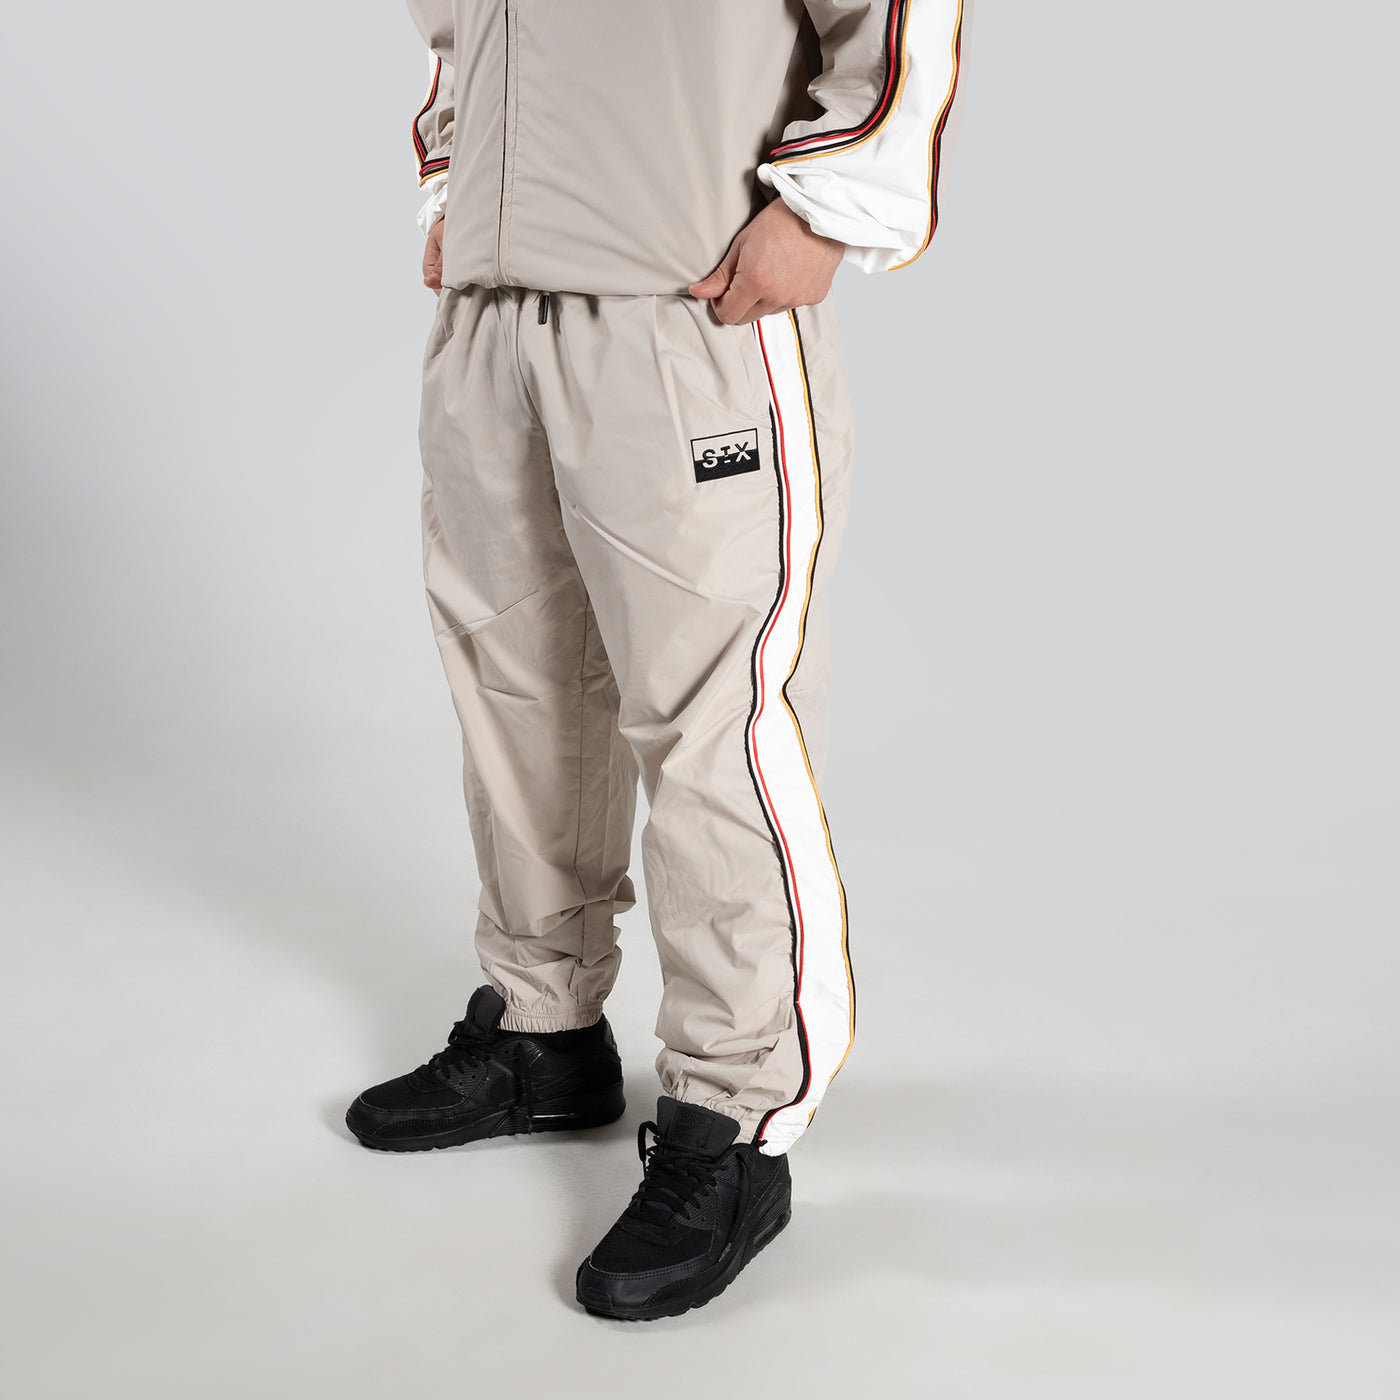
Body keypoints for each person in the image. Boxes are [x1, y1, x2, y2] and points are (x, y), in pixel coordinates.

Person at [345, 0, 969, 1320]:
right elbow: (457, 27)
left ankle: (734, 1118)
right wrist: (454, 183)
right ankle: (543, 1030)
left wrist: (826, 208)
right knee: (516, 693)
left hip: (686, 311)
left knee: (714, 720)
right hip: (495, 318)